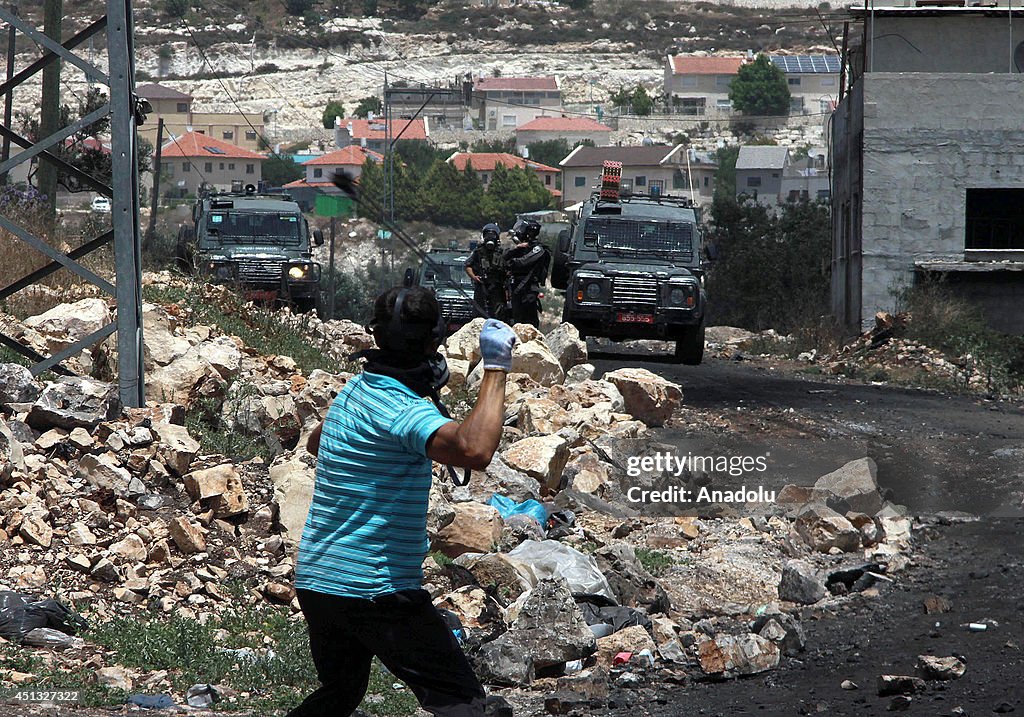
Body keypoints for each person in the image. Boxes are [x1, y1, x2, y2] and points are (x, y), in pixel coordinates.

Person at [287, 285, 517, 717]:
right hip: (375, 589)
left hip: (319, 583)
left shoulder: (356, 392)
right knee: (462, 703)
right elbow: (474, 450)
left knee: (340, 693)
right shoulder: (402, 409)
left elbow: (319, 442)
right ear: (434, 346)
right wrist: (497, 367)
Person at [503, 219, 550, 328]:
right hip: (516, 287)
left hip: (528, 288)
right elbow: (504, 257)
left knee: (529, 320)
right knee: (516, 318)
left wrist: (512, 261)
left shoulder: (538, 248)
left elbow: (523, 262)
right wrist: (516, 248)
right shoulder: (520, 247)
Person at [464, 223, 506, 319]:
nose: (490, 237)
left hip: (497, 287)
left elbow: (508, 268)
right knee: (479, 313)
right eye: (487, 235)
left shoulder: (501, 252)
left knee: (498, 313)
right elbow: (467, 265)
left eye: (493, 235)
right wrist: (474, 277)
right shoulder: (478, 252)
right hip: (482, 286)